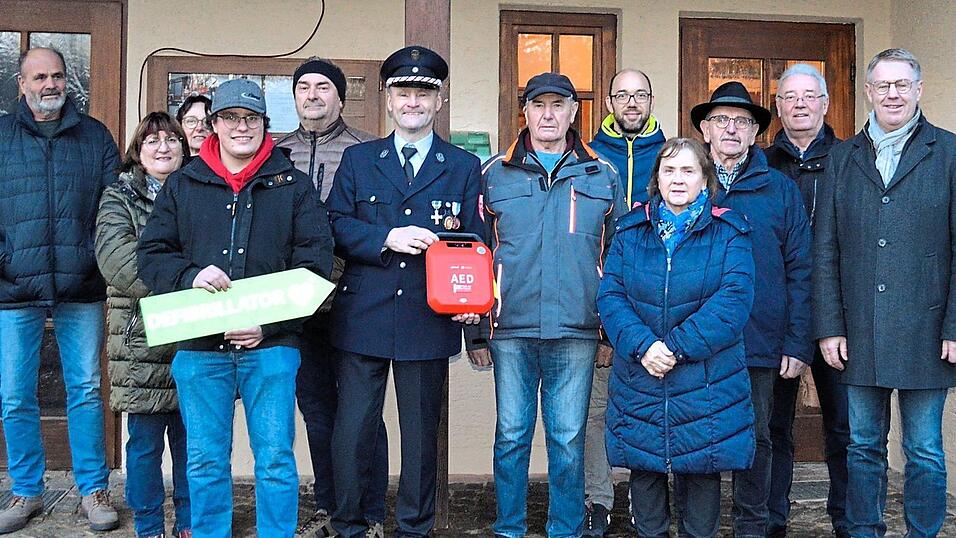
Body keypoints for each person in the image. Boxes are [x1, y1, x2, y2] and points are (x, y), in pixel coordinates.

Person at [138, 78, 333, 538]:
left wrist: (269, 324)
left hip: (272, 347)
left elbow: (316, 264)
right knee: (205, 460)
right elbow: (152, 254)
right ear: (214, 125)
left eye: (251, 118)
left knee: (275, 460)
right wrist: (189, 276)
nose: (241, 127)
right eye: (230, 118)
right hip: (200, 347)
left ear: (265, 124)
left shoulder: (293, 185)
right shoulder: (183, 184)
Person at [326, 45, 483, 538]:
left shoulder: (462, 165)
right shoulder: (358, 159)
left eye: (423, 94)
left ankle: (414, 528)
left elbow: (476, 241)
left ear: (439, 102)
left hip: (427, 315)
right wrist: (385, 237)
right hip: (364, 314)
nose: (413, 102)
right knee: (353, 431)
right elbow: (333, 224)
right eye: (403, 93)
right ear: (388, 100)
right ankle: (350, 524)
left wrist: (472, 309)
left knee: (420, 439)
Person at [466, 72, 624, 538]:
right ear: (526, 112)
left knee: (569, 440)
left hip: (577, 331)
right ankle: (509, 527)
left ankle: (565, 529)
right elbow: (473, 256)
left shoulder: (602, 173)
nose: (548, 114)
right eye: (539, 105)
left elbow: (617, 259)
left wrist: (609, 333)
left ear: (574, 111)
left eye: (558, 105)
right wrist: (476, 333)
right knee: (512, 435)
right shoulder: (493, 173)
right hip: (510, 329)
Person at [813, 48, 956, 538]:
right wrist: (829, 326)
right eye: (883, 86)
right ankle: (863, 531)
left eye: (902, 84)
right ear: (868, 92)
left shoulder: (949, 152)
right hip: (859, 329)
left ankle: (923, 533)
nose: (892, 94)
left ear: (918, 90)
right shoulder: (842, 157)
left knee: (924, 450)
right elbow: (825, 247)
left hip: (927, 330)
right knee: (863, 447)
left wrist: (955, 325)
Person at [597, 137, 755, 538]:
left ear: (705, 179)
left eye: (688, 170)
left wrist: (674, 348)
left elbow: (733, 302)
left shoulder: (729, 233)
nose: (678, 179)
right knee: (647, 495)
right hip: (642, 383)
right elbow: (610, 297)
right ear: (656, 179)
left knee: (700, 507)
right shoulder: (630, 231)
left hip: (705, 387)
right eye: (669, 170)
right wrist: (645, 347)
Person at [0, 47, 120, 534]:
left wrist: (95, 259)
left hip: (81, 284)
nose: (49, 84)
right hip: (14, 286)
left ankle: (93, 489)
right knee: (14, 394)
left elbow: (113, 208)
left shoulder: (95, 136)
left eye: (57, 76)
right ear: (22, 84)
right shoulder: (1, 136)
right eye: (39, 77)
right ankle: (26, 490)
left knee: (86, 390)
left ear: (67, 81)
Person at [690, 81, 812, 538]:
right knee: (699, 433)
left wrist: (797, 341)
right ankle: (698, 527)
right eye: (721, 119)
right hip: (696, 339)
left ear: (755, 132)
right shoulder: (685, 182)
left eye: (742, 121)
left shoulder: (779, 190)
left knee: (758, 437)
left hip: (760, 340)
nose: (731, 129)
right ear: (705, 129)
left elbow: (802, 269)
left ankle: (753, 526)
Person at [276, 57, 387, 538]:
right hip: (299, 306)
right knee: (318, 410)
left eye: (324, 86)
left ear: (340, 98)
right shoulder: (275, 153)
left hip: (354, 298)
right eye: (304, 87)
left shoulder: (367, 152)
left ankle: (372, 512)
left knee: (363, 412)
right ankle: (328, 508)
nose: (313, 95)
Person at [94, 112, 191, 538]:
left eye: (172, 139)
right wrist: (186, 284)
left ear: (184, 148)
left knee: (193, 444)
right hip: (141, 338)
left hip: (195, 335)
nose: (163, 147)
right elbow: (117, 260)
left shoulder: (200, 190)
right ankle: (149, 525)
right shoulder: (119, 197)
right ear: (138, 150)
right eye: (152, 141)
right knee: (145, 445)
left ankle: (190, 522)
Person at [763, 64, 849, 538]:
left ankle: (848, 520)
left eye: (809, 95)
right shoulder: (761, 165)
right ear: (778, 106)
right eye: (789, 96)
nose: (799, 104)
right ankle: (772, 519)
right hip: (778, 318)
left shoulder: (851, 159)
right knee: (773, 427)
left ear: (825, 104)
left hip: (840, 315)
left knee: (845, 428)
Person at [581, 67, 665, 537]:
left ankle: (645, 497)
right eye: (622, 95)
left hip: (659, 308)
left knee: (650, 411)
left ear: (651, 101)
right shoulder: (589, 157)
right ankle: (598, 499)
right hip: (603, 305)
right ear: (609, 102)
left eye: (640, 95)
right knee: (595, 413)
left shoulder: (671, 154)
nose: (631, 103)